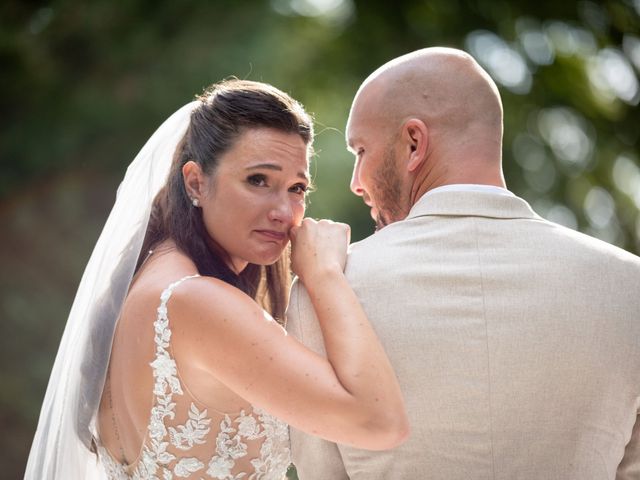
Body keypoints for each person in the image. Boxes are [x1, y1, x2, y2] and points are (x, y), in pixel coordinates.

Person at [24, 79, 409, 480]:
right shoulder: (196, 303)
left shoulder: (143, 288)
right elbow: (381, 422)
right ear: (196, 182)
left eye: (297, 188)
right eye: (258, 180)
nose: (284, 210)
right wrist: (326, 275)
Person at [287, 47, 640, 479]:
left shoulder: (325, 289)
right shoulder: (629, 286)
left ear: (414, 143)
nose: (356, 182)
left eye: (361, 150)